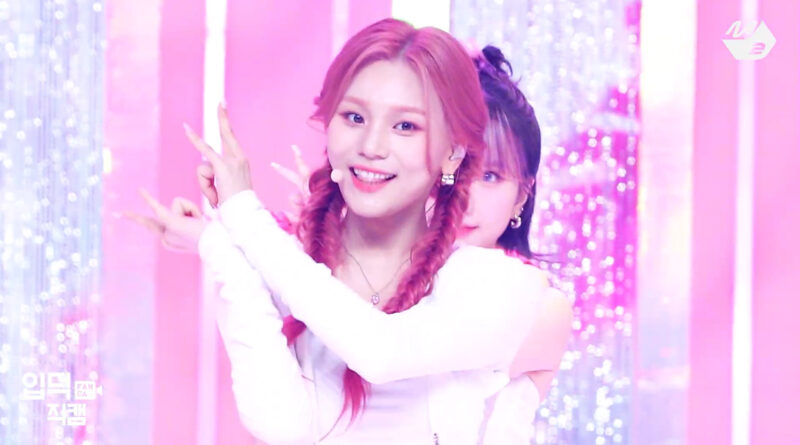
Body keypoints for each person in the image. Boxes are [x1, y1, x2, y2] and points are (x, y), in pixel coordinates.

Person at [132, 18, 562, 444]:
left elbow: (380, 352)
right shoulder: (305, 273)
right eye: (354, 117)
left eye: (406, 126)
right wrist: (220, 247)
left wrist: (244, 214)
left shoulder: (505, 286)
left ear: (453, 154)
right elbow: (281, 425)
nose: (371, 146)